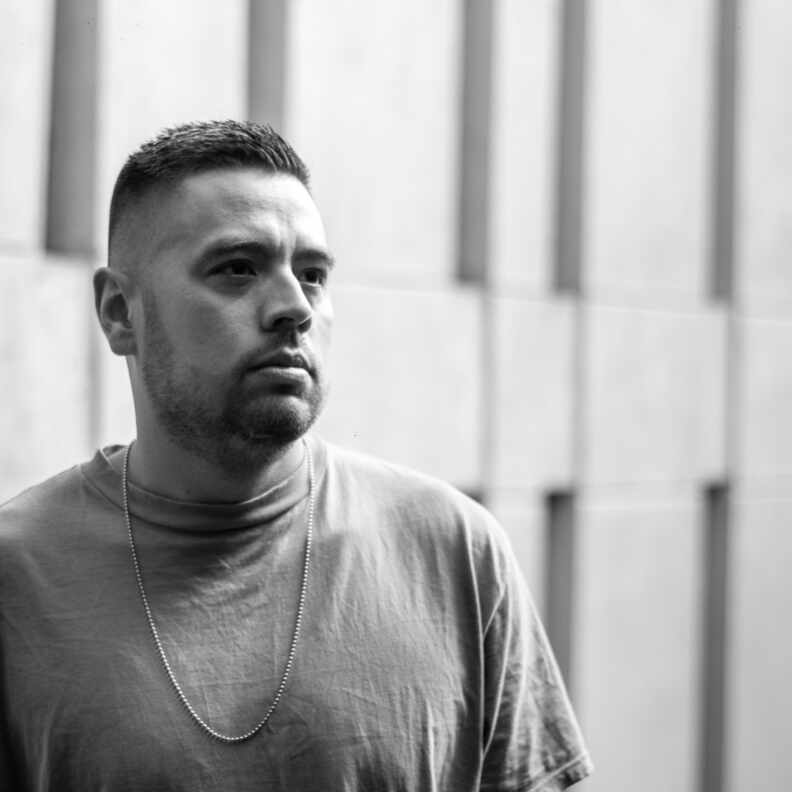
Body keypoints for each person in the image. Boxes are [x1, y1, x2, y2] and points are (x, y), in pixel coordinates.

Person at [0, 120, 593, 791]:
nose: (293, 307)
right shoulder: (19, 577)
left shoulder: (454, 551)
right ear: (119, 312)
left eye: (312, 275)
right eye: (237, 269)